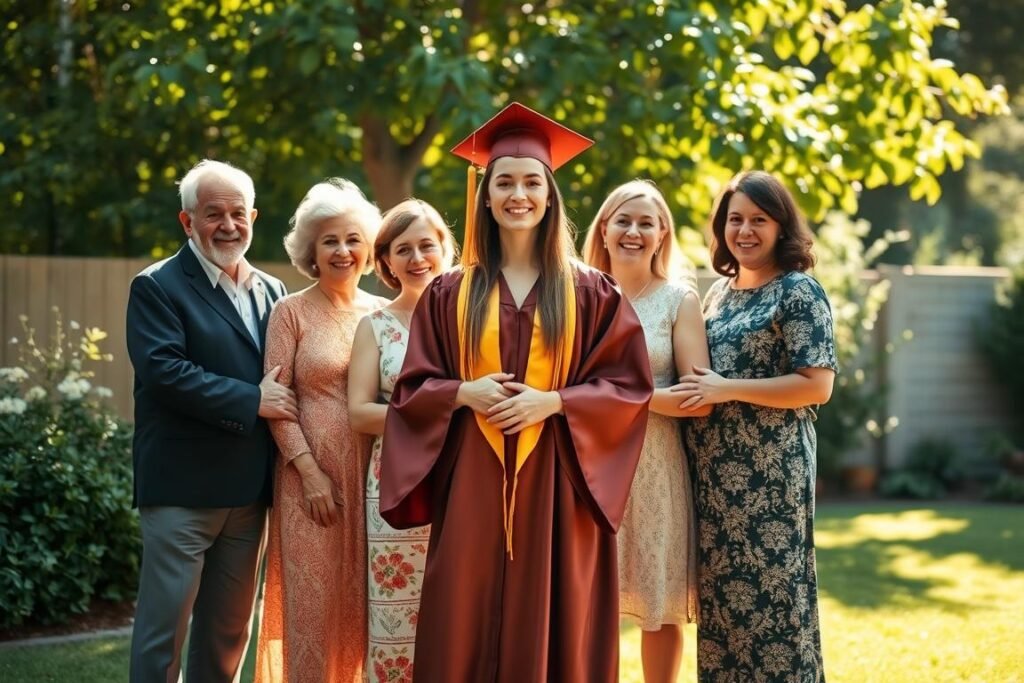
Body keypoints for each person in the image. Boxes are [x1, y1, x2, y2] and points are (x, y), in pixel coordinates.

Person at [378, 102, 654, 683]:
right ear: (484, 196)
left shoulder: (592, 292)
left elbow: (629, 387)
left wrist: (555, 402)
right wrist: (462, 392)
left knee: (556, 609)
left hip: (560, 474)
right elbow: (411, 391)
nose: (518, 194)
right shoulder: (449, 292)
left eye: (532, 182)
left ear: (550, 196)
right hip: (473, 475)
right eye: (504, 182)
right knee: (464, 602)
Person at [126, 159, 293, 682]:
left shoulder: (274, 291)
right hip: (183, 490)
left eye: (238, 213)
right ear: (187, 221)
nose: (228, 225)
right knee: (163, 637)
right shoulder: (157, 286)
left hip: (249, 494)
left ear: (253, 217)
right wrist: (252, 400)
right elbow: (164, 371)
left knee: (227, 636)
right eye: (213, 213)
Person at [677, 170, 837, 682]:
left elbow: (817, 385)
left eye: (759, 220)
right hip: (714, 482)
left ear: (781, 226)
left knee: (776, 605)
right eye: (735, 219)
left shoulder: (798, 291)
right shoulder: (719, 295)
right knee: (724, 613)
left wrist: (728, 388)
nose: (744, 231)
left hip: (771, 480)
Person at [254, 179, 387, 683]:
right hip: (309, 484)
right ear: (311, 250)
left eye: (353, 239)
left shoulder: (382, 314)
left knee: (365, 604)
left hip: (374, 478)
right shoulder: (289, 312)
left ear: (368, 248)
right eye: (330, 240)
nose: (343, 251)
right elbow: (276, 404)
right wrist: (309, 473)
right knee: (313, 605)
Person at [582, 179, 710, 683]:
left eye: (646, 223)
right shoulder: (578, 295)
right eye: (623, 220)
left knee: (659, 606)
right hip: (586, 466)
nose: (633, 231)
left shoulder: (680, 300)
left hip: (655, 467)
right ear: (604, 230)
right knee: (587, 602)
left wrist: (617, 398)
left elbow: (698, 400)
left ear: (662, 236)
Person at [348, 199, 457, 682]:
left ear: (446, 249)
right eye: (402, 249)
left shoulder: (472, 321)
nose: (417, 259)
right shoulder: (375, 327)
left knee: (457, 608)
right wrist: (438, 411)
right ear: (386, 262)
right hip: (395, 483)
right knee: (397, 612)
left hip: (462, 476)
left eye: (426, 246)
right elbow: (359, 413)